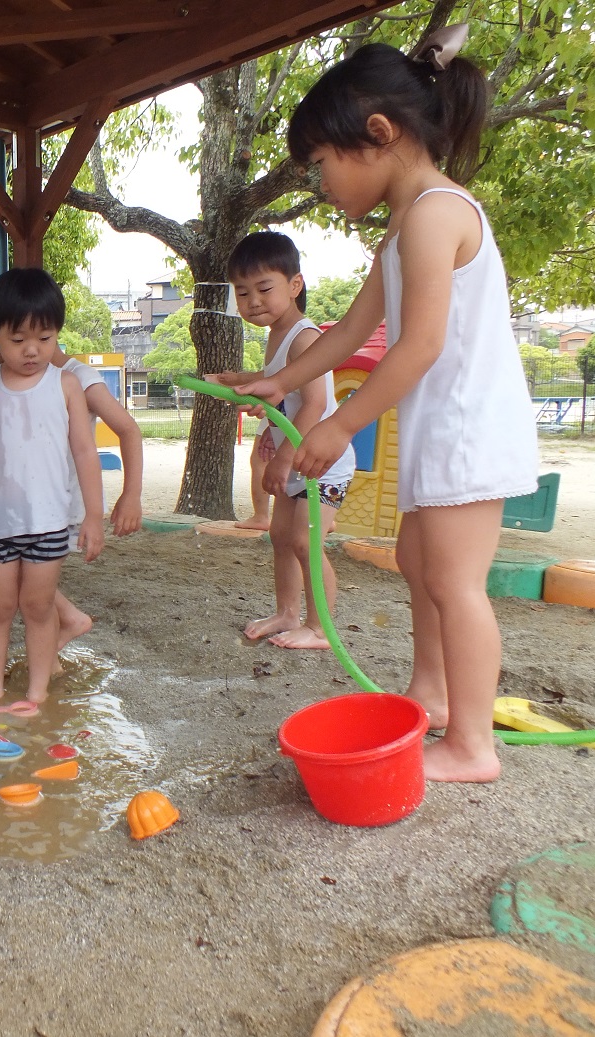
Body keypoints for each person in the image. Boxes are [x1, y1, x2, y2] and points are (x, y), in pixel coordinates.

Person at [226, 25, 538, 782]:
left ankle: (472, 744)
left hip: (467, 427)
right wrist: (278, 383)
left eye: (321, 163)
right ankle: (431, 695)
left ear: (377, 133)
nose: (321, 183)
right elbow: (350, 331)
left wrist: (339, 424)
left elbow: (420, 344)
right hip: (439, 427)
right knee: (414, 560)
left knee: (454, 582)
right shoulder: (402, 226)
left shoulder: (436, 213)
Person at [0, 268, 105, 703]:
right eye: (18, 340)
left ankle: (36, 697)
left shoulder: (67, 385)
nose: (32, 350)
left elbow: (85, 453)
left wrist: (94, 515)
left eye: (45, 337)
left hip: (49, 524)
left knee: (38, 608)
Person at [0, 346, 144, 667]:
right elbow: (18, 450)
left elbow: (128, 429)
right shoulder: (18, 379)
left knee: (29, 587)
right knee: (23, 585)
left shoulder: (78, 378)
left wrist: (131, 494)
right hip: (24, 504)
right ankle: (59, 646)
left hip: (59, 503)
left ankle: (66, 628)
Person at [216, 231, 354, 650]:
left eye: (264, 288)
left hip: (322, 461)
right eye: (242, 293)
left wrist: (283, 458)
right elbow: (278, 388)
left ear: (295, 285)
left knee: (305, 542)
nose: (253, 301)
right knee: (280, 538)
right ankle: (286, 613)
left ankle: (319, 628)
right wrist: (264, 428)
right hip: (297, 456)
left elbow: (314, 404)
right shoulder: (278, 334)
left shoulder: (304, 337)